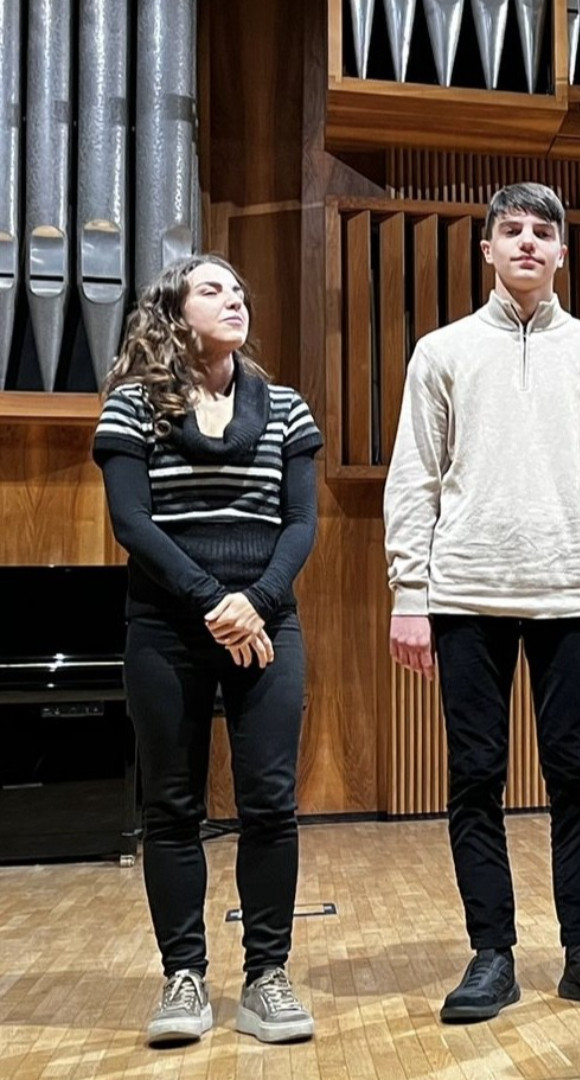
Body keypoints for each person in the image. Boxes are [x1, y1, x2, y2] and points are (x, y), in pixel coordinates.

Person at [383, 182, 580, 1022]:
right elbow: (414, 476)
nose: (527, 242)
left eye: (542, 231)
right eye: (512, 230)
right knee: (475, 777)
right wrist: (409, 592)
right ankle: (491, 953)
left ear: (563, 252)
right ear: (488, 250)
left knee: (576, 775)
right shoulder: (443, 351)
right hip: (466, 592)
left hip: (573, 591)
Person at [94, 254, 322, 1047]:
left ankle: (266, 977)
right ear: (172, 311)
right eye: (212, 288)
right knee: (171, 806)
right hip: (166, 625)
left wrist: (254, 602)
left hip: (265, 622)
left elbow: (300, 523)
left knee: (271, 802)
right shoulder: (131, 406)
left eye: (239, 290)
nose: (235, 299)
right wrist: (210, 600)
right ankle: (184, 977)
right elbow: (133, 523)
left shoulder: (286, 407)